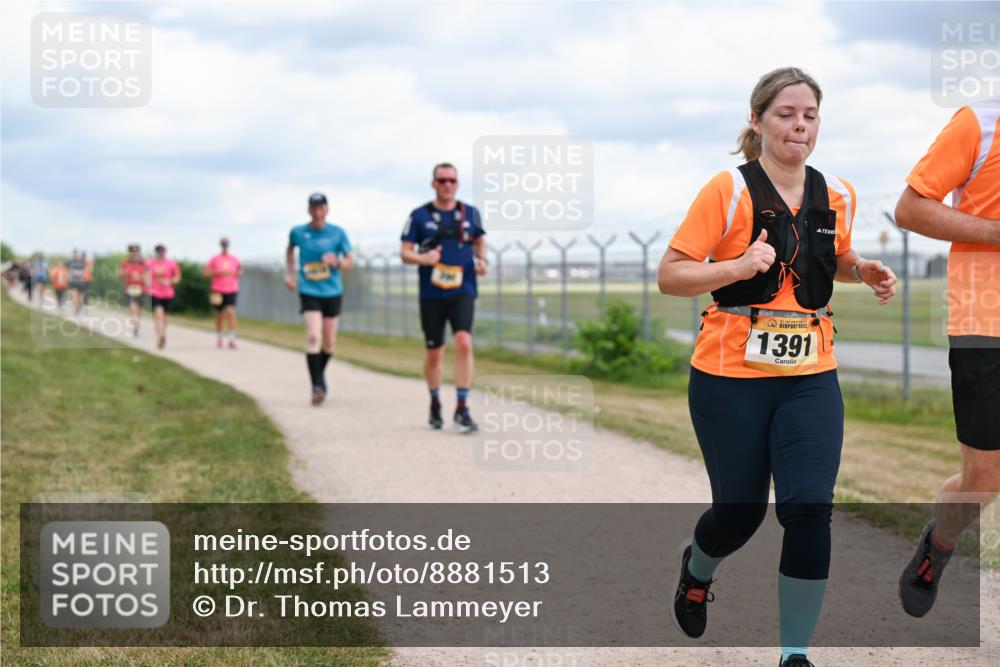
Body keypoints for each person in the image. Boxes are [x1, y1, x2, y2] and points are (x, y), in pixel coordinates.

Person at [657, 67, 896, 667]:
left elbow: (834, 256)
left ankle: (795, 655)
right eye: (786, 114)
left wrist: (860, 269)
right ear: (758, 120)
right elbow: (671, 275)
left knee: (810, 510)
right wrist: (736, 268)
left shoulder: (837, 192)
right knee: (739, 515)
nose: (799, 125)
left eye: (810, 115)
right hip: (729, 378)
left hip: (810, 375)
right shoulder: (728, 190)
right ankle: (697, 569)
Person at [894, 96, 1000, 617]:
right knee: (984, 480)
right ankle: (939, 543)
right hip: (986, 323)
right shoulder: (981, 121)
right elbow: (911, 208)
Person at [400, 162, 487, 432]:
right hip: (432, 294)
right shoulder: (418, 216)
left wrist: (482, 260)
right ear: (433, 184)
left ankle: (462, 408)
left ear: (457, 184)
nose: (447, 185)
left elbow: (479, 240)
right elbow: (405, 252)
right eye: (442, 180)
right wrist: (423, 258)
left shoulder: (471, 213)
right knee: (435, 353)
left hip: (463, 289)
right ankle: (435, 401)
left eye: (452, 180)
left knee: (464, 342)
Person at [285, 193, 353, 405]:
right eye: (314, 208)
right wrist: (290, 273)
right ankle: (316, 386)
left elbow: (349, 261)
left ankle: (319, 375)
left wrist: (337, 263)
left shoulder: (338, 233)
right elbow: (289, 250)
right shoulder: (298, 232)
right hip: (309, 290)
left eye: (321, 208)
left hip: (332, 291)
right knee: (314, 336)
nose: (317, 212)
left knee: (329, 343)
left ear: (327, 209)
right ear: (309, 210)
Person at [204, 236, 243, 349]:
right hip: (216, 290)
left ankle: (231, 338)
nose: (225, 246)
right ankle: (219, 337)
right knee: (219, 314)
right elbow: (205, 273)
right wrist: (216, 272)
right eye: (223, 244)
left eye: (226, 244)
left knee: (231, 312)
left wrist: (237, 273)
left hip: (232, 289)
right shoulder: (214, 259)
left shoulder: (234, 259)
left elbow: (240, 271)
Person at [147, 244, 181, 349]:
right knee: (158, 315)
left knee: (165, 318)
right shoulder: (150, 263)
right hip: (154, 292)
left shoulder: (172, 263)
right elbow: (145, 275)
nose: (161, 253)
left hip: (168, 293)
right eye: (159, 251)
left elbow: (177, 277)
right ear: (156, 252)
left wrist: (170, 281)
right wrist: (147, 283)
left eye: (163, 251)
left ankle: (163, 334)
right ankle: (159, 337)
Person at [118, 244, 147, 337]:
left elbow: (149, 276)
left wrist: (140, 277)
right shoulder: (126, 262)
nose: (135, 252)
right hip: (130, 288)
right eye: (133, 251)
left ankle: (137, 323)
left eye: (137, 250)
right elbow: (119, 274)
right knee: (132, 307)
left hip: (141, 289)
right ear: (130, 252)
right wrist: (124, 273)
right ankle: (135, 327)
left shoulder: (144, 263)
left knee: (139, 310)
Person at [67, 249, 87, 314]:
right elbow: (84, 271)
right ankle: (78, 306)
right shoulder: (82, 262)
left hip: (75, 281)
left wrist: (69, 278)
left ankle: (77, 306)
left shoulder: (71, 262)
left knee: (76, 295)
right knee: (78, 295)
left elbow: (69, 271)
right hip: (80, 281)